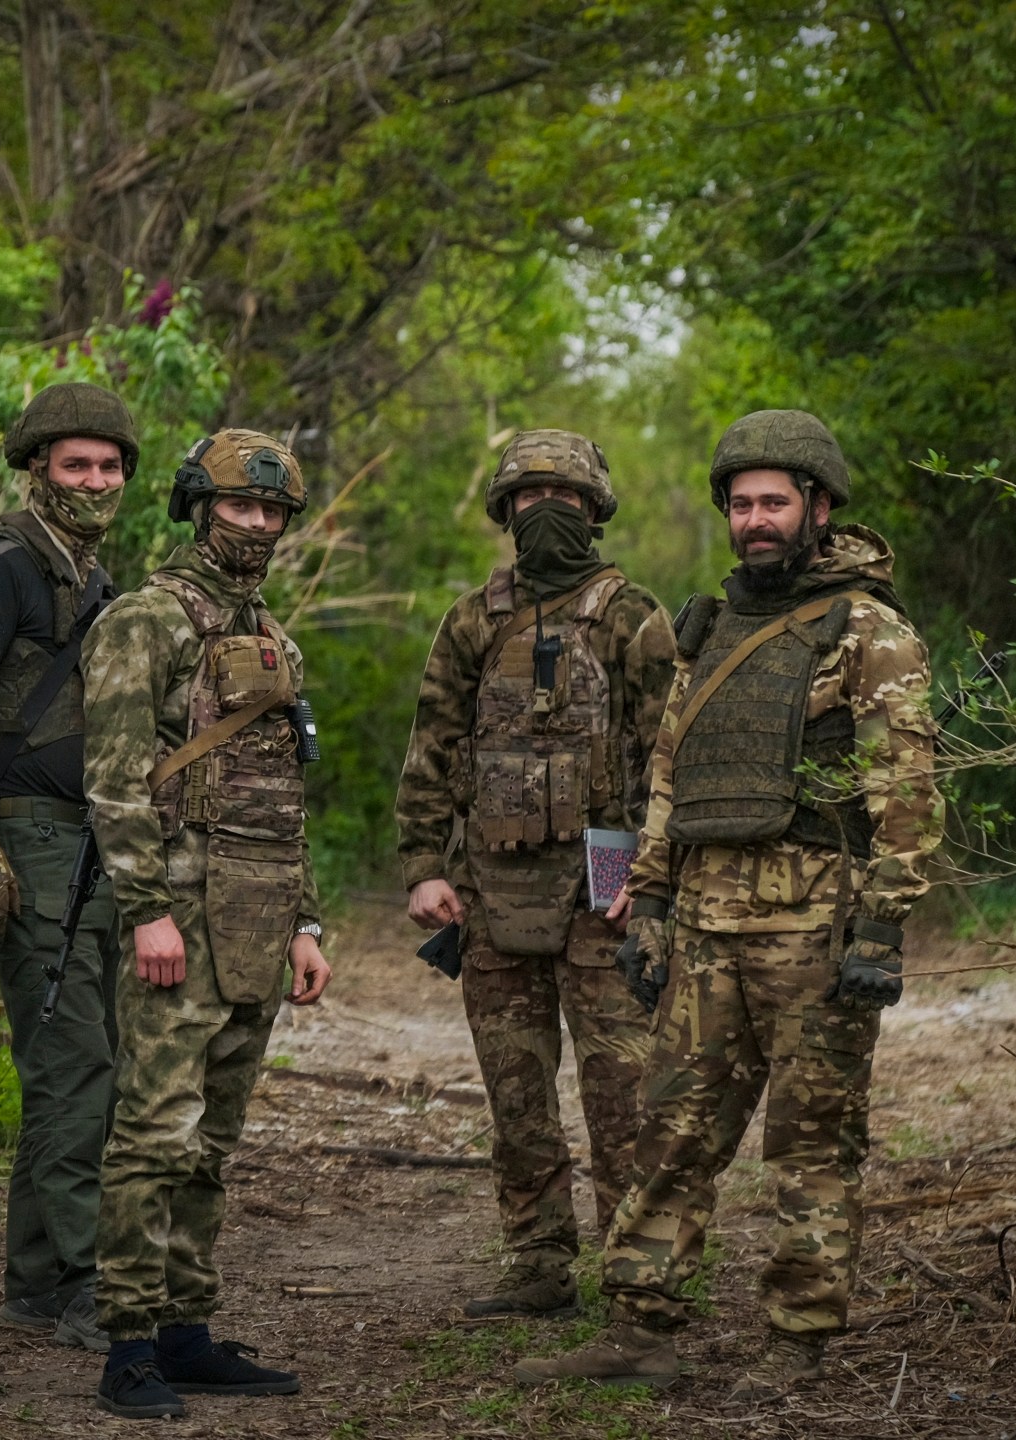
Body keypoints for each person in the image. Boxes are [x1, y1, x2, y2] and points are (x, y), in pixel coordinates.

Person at [514, 409, 942, 1401]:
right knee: (672, 1131)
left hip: (813, 935)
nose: (754, 520)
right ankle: (639, 1327)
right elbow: (667, 779)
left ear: (817, 507)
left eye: (773, 502)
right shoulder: (710, 624)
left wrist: (879, 929)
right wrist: (650, 905)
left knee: (810, 1148)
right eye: (741, 503)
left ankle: (795, 1340)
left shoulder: (869, 630)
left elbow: (908, 796)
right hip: (706, 932)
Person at [79, 428, 335, 1420]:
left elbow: (281, 794)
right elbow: (111, 783)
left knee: (212, 1139)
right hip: (178, 911)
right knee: (152, 1132)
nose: (257, 524)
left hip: (259, 911)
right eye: (240, 505)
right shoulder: (144, 620)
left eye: (272, 511)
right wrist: (144, 910)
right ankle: (129, 1344)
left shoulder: (275, 635)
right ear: (200, 505)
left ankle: (186, 1330)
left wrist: (306, 922)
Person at [393, 429, 676, 1318]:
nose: (545, 511)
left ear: (594, 511)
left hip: (610, 899)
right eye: (527, 497)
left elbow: (671, 761)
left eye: (564, 498)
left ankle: (641, 1274)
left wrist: (658, 876)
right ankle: (539, 1264)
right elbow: (433, 746)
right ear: (505, 511)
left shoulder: (636, 617)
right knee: (516, 1094)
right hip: (493, 894)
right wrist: (422, 868)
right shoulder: (473, 619)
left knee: (624, 1095)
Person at [0, 381, 137, 1353]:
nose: (94, 480)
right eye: (75, 464)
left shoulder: (89, 574)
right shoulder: (2, 562)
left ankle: (35, 1284)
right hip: (29, 843)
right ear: (37, 469)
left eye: (108, 465)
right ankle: (93, 1286)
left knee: (73, 1066)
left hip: (88, 842)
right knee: (74, 1066)